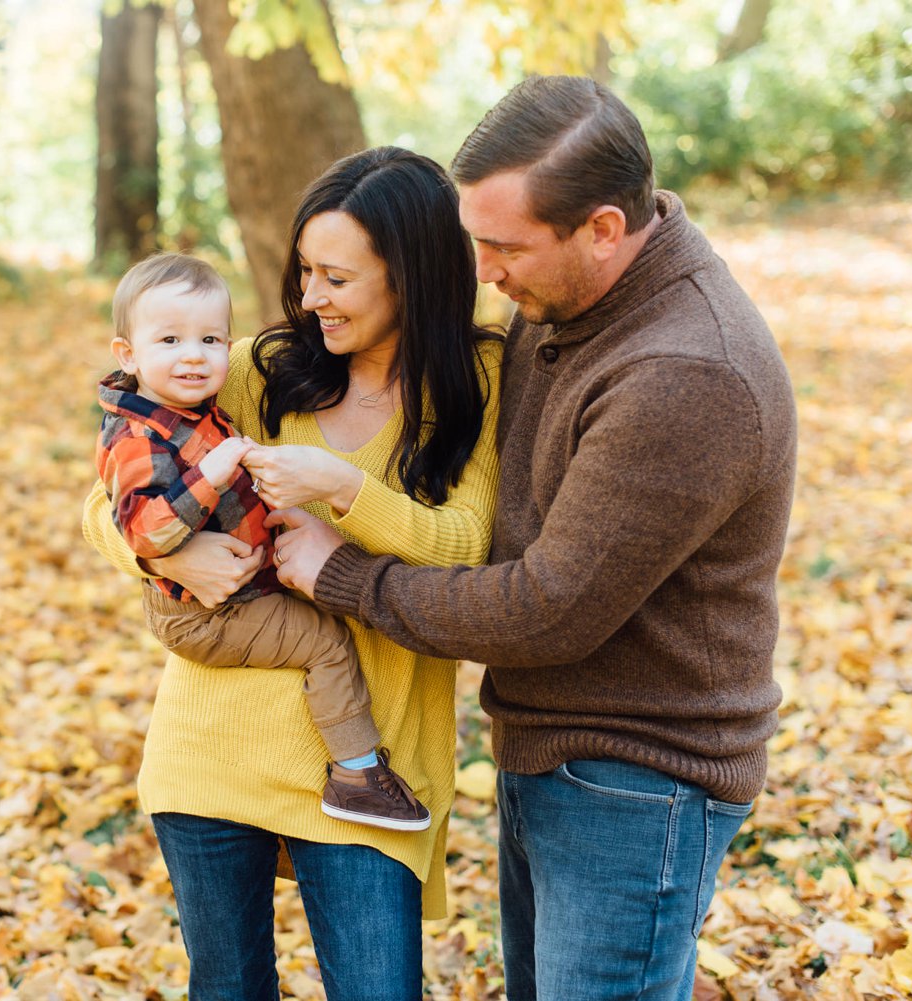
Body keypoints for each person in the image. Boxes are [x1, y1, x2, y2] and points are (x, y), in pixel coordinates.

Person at [272, 76, 798, 1001]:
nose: (483, 273)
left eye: (505, 247)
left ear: (602, 227)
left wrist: (342, 574)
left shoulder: (683, 372)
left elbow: (546, 607)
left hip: (640, 776)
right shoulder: (576, 298)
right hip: (555, 750)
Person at [82, 147, 504, 1000]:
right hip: (212, 749)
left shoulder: (478, 381)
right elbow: (102, 498)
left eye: (337, 278)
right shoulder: (251, 365)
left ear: (412, 278)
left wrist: (348, 495)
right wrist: (167, 550)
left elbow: (472, 544)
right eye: (305, 271)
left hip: (367, 778)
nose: (310, 297)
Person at [93, 251, 430, 832]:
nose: (194, 356)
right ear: (128, 354)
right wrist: (212, 484)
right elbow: (140, 528)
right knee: (324, 641)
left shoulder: (192, 409)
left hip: (232, 594)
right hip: (202, 613)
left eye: (211, 339)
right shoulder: (139, 437)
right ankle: (356, 774)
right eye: (169, 340)